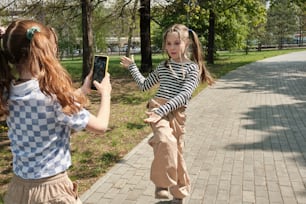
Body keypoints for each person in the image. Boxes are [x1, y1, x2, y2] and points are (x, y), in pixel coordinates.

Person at [0, 19, 111, 204]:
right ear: (45, 50)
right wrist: (106, 94)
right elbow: (100, 126)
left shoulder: (7, 93)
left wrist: (82, 90)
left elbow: (41, 104)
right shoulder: (54, 98)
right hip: (52, 191)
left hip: (17, 190)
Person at [120, 24, 214, 204]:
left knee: (176, 155)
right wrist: (133, 67)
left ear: (186, 43)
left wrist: (164, 110)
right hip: (158, 109)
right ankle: (161, 184)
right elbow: (144, 85)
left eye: (176, 43)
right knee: (166, 141)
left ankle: (178, 196)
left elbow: (184, 95)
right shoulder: (163, 66)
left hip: (177, 114)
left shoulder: (193, 69)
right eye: (168, 43)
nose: (171, 47)